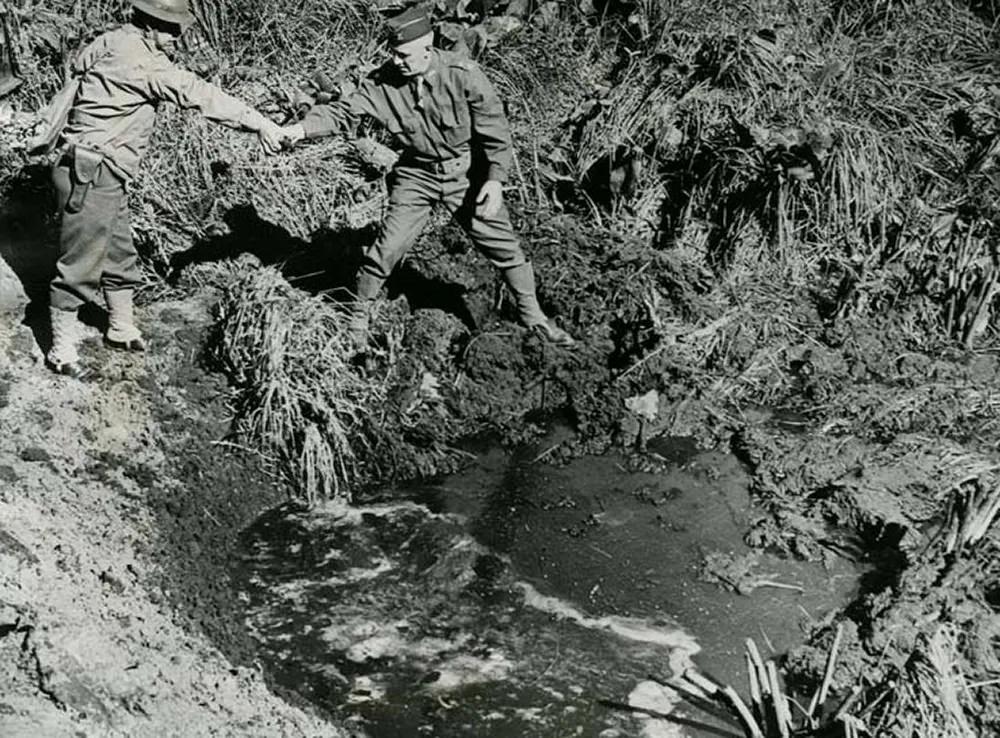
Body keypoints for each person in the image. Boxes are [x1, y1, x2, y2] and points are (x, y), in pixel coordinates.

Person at [282, 5, 575, 350]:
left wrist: (495, 180)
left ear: (428, 46)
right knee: (388, 247)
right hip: (416, 175)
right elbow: (343, 112)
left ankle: (534, 318)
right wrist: (300, 129)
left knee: (503, 247)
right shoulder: (383, 83)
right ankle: (356, 319)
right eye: (393, 54)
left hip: (466, 174)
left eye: (404, 55)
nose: (397, 62)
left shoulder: (462, 73)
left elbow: (496, 130)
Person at [43, 0, 285, 377]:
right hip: (92, 171)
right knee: (81, 262)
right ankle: (61, 350)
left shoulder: (112, 40)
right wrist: (259, 123)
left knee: (118, 250)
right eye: (170, 29)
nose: (176, 37)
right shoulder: (143, 62)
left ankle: (121, 327)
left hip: (99, 169)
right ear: (150, 25)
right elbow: (198, 93)